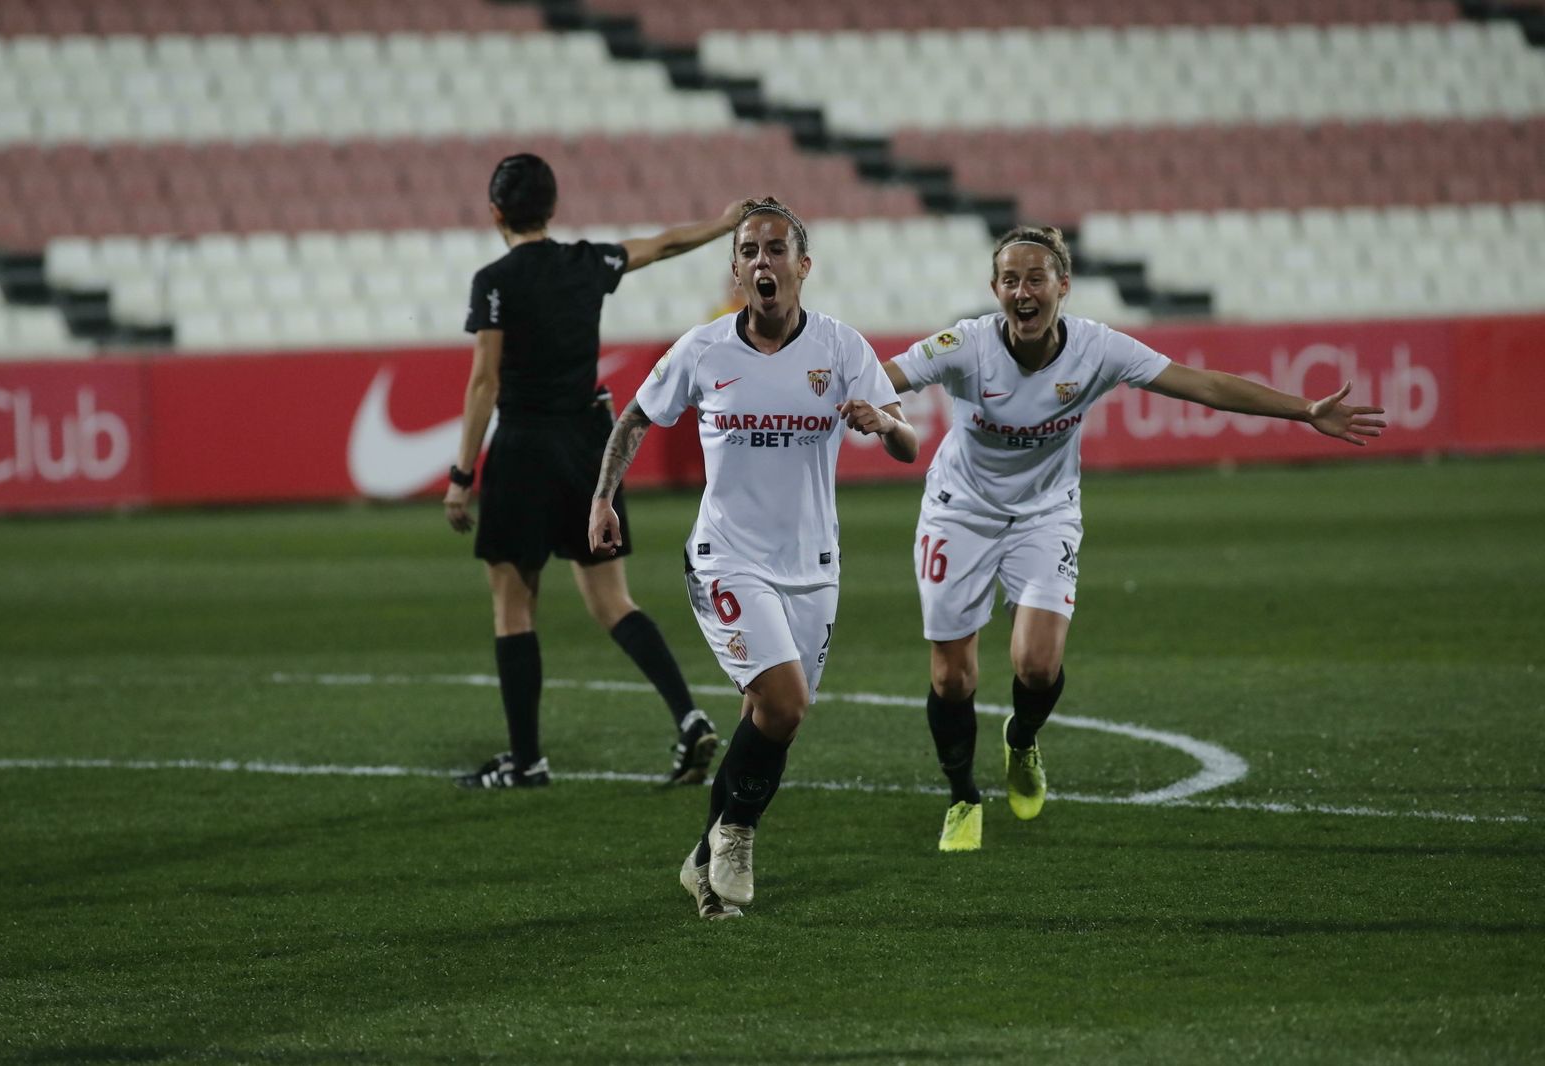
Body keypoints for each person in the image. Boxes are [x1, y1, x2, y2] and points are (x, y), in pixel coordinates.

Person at [883, 225, 1387, 852]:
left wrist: (1302, 410)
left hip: (1046, 514)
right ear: (995, 290)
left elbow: (1202, 385)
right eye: (1010, 280)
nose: (1022, 291)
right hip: (959, 513)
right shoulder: (967, 344)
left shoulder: (1097, 348)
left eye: (1035, 278)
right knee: (953, 679)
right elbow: (888, 376)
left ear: (1062, 286)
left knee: (1037, 667)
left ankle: (1021, 740)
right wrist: (861, 404)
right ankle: (962, 796)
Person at [589, 198, 919, 920]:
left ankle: (703, 864)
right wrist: (603, 498)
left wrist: (884, 422)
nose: (761, 262)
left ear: (803, 267)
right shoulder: (704, 350)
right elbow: (638, 415)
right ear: (735, 269)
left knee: (769, 717)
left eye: (775, 250)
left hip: (813, 563)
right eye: (748, 252)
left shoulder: (841, 348)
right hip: (726, 557)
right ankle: (736, 832)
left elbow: (909, 442)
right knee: (785, 699)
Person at [444, 153, 747, 790]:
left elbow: (484, 381)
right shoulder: (588, 262)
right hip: (588, 443)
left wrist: (462, 473)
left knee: (513, 604)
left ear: (495, 212)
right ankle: (689, 717)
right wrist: (723, 224)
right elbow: (661, 245)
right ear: (552, 209)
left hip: (525, 444)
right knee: (613, 601)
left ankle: (526, 761)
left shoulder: (494, 280)